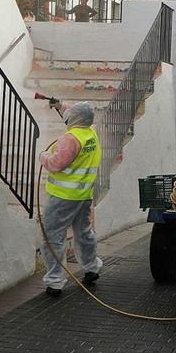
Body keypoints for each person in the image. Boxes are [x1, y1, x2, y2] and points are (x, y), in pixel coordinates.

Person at [38, 101, 103, 297]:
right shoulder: (90, 133)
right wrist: (60, 106)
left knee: (52, 237)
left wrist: (43, 156)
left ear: (74, 118)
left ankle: (55, 281)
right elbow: (75, 114)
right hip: (83, 196)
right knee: (83, 231)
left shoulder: (70, 139)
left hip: (63, 198)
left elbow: (56, 164)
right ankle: (92, 267)